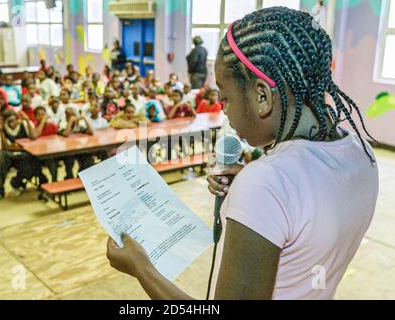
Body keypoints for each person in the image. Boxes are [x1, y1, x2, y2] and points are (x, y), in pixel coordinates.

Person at [106, 7, 379, 300]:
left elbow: (284, 194)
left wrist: (142, 269)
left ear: (262, 97)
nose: (223, 109)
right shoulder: (362, 154)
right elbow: (306, 216)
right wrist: (255, 196)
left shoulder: (267, 182)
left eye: (226, 98)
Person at [0, 110, 37, 205]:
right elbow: (6, 146)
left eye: (13, 120)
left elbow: (33, 137)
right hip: (9, 155)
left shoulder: (25, 124)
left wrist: (27, 120)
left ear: (17, 119)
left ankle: (16, 184)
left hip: (23, 154)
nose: (12, 123)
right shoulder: (3, 129)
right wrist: (1, 131)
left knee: (31, 162)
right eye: (9, 121)